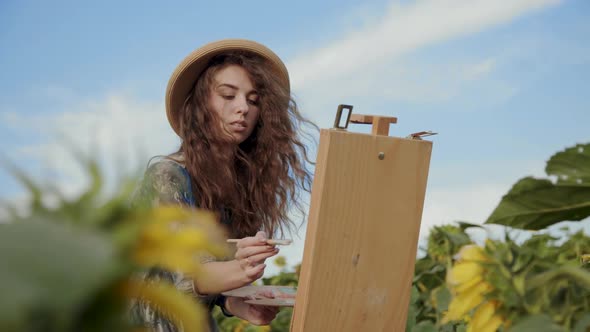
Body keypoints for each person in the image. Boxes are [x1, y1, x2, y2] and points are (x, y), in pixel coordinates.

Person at [130, 39, 316, 331]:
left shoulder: (239, 188)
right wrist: (240, 268)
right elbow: (186, 278)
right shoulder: (167, 176)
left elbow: (208, 291)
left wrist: (239, 304)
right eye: (228, 95)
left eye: (253, 101)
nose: (242, 108)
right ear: (200, 104)